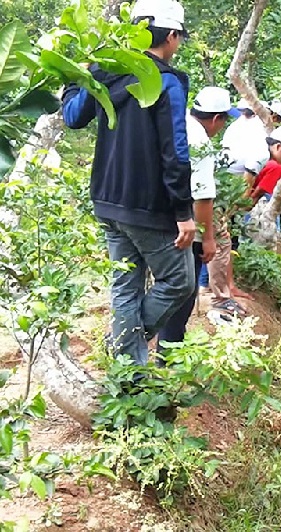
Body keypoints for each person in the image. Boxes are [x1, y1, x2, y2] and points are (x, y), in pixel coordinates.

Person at [61, 0, 194, 366]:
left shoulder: (106, 73)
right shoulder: (166, 82)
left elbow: (73, 117)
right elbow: (175, 152)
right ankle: (124, 344)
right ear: (171, 36)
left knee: (125, 286)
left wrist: (75, 77)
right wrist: (184, 211)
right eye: (179, 37)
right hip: (149, 206)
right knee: (180, 281)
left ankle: (129, 375)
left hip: (107, 199)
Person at [158, 87, 241, 351]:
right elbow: (203, 197)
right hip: (185, 226)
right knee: (184, 290)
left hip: (155, 218)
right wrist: (207, 239)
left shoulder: (174, 122)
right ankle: (169, 352)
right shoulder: (201, 143)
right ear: (216, 119)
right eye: (225, 119)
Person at [246, 125, 281, 241]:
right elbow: (259, 191)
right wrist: (246, 206)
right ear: (278, 147)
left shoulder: (259, 152)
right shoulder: (277, 167)